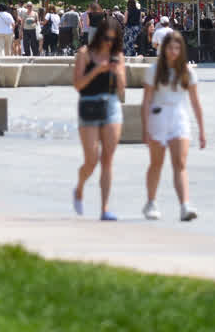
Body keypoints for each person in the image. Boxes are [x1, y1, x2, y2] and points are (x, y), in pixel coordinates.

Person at [141, 28, 206, 221]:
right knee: (156, 163)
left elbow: (195, 102)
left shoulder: (187, 72)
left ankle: (185, 205)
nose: (173, 52)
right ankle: (151, 202)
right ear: (163, 48)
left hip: (179, 117)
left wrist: (202, 130)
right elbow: (146, 101)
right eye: (170, 48)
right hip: (158, 117)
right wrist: (145, 128)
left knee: (180, 163)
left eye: (177, 48)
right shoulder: (154, 71)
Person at [72, 15, 126, 221]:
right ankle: (79, 187)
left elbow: (122, 88)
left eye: (113, 40)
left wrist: (118, 73)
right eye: (105, 38)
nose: (108, 43)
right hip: (89, 104)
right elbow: (78, 85)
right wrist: (97, 71)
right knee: (91, 159)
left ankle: (104, 208)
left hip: (111, 105)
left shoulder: (117, 56)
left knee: (107, 159)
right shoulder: (85, 54)